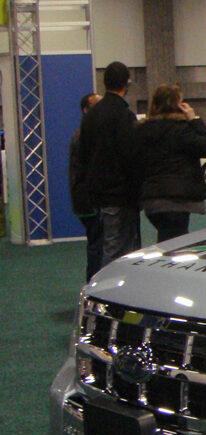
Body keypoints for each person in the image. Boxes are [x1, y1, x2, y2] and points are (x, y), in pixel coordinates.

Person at [133, 84, 206, 243]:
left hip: (152, 198)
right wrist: (195, 120)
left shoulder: (142, 130)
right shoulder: (182, 129)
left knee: (168, 239)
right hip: (178, 198)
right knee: (175, 244)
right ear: (179, 105)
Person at [78, 61, 140, 268]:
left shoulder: (91, 116)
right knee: (118, 249)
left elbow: (83, 153)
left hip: (97, 193)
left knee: (108, 244)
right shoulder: (123, 115)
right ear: (126, 83)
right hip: (120, 194)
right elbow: (130, 157)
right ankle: (108, 292)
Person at [69, 92, 103, 280]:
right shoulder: (85, 135)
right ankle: (94, 285)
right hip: (88, 199)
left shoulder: (85, 132)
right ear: (86, 110)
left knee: (97, 243)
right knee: (97, 244)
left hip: (86, 197)